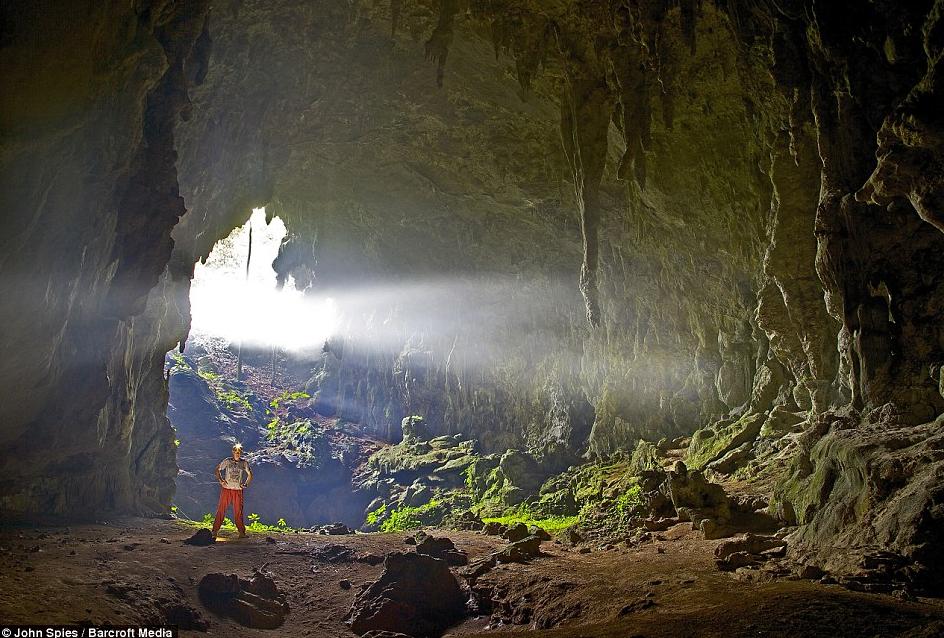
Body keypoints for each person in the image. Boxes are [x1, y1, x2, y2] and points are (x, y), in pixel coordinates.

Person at [212, 443, 253, 538]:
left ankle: (242, 533)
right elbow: (217, 469)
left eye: (239, 452)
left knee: (238, 511)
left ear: (241, 453)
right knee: (221, 509)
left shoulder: (244, 463)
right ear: (233, 452)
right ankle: (214, 531)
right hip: (226, 489)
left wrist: (246, 484)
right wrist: (221, 481)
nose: (237, 453)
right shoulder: (227, 461)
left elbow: (250, 474)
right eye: (236, 452)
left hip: (238, 490)